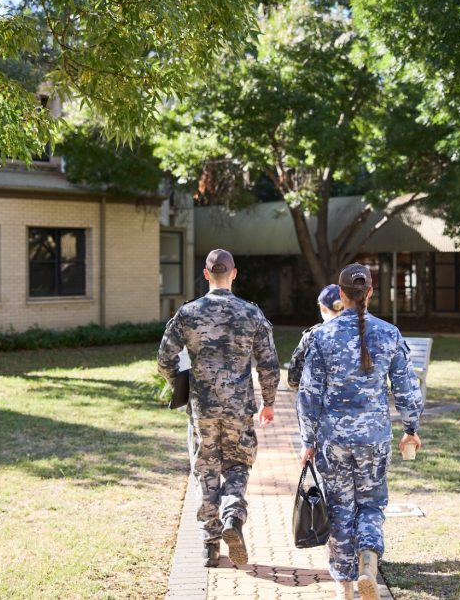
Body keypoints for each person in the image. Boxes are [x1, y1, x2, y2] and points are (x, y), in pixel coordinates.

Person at [297, 263, 423, 600]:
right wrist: (410, 428)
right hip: (374, 438)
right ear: (369, 292)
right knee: (371, 505)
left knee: (339, 508)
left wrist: (307, 440)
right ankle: (368, 560)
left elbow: (308, 394)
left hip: (332, 441)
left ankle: (345, 587)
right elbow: (407, 390)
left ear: (341, 295)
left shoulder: (321, 335)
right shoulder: (390, 333)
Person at [158, 248, 280, 568]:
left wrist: (179, 383)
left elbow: (164, 358)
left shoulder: (187, 314)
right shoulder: (252, 314)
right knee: (239, 464)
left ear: (206, 274)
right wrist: (268, 402)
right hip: (240, 407)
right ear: (234, 274)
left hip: (203, 407)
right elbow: (269, 364)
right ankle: (233, 517)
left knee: (206, 469)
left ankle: (209, 543)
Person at [287, 283, 344, 391]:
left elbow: (293, 379)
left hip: (318, 404)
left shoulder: (311, 336)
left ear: (322, 308)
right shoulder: (364, 333)